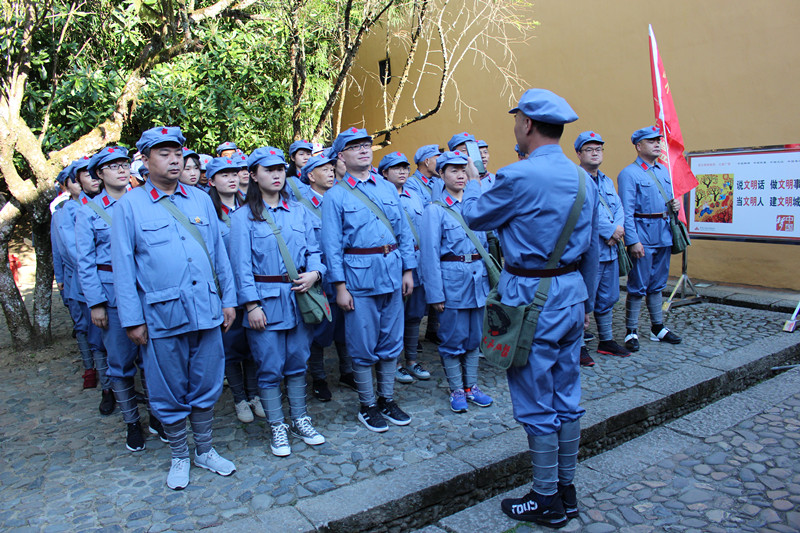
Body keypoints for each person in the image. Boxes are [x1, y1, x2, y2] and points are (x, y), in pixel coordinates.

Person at [461, 89, 599, 528]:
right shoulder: (583, 178)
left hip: (530, 297)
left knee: (536, 398)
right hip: (571, 293)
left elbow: (475, 217)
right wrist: (589, 300)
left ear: (527, 124)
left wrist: (473, 178)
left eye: (516, 120)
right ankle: (566, 490)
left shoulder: (518, 176)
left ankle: (545, 499)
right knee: (567, 395)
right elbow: (592, 248)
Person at [111, 126, 237, 490]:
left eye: (178, 153)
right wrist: (132, 320)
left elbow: (218, 254)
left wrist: (229, 299)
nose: (174, 160)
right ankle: (180, 455)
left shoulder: (200, 199)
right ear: (146, 160)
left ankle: (205, 450)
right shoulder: (129, 206)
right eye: (164, 154)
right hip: (161, 316)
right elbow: (124, 267)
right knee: (168, 389)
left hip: (206, 309)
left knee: (207, 382)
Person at [229, 146, 326, 457]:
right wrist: (251, 306)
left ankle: (299, 419)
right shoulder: (242, 217)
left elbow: (314, 250)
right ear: (253, 175)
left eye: (280, 169)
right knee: (269, 366)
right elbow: (241, 267)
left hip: (300, 299)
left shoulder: (299, 210)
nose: (276, 175)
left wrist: (315, 273)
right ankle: (277, 425)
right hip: (265, 303)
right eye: (268, 170)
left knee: (298, 362)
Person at [321, 127, 416, 433]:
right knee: (362, 344)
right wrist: (339, 287)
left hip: (392, 273)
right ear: (341, 156)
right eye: (355, 147)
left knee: (391, 340)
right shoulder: (335, 196)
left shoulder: (387, 188)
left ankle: (386, 399)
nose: (363, 150)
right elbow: (331, 246)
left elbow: (403, 232)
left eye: (366, 145)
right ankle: (367, 405)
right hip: (358, 280)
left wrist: (408, 270)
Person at [76, 146, 166, 451]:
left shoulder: (143, 202)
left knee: (151, 359)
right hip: (112, 295)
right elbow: (85, 263)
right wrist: (96, 303)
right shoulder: (88, 212)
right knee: (121, 362)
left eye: (124, 164)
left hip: (145, 291)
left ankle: (157, 417)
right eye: (113, 166)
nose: (121, 170)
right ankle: (131, 422)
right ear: (100, 174)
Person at [420, 150, 492, 412]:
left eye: (463, 170)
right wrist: (435, 293)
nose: (460, 175)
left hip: (477, 281)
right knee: (453, 338)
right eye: (453, 170)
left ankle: (472, 386)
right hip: (452, 283)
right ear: (441, 174)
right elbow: (429, 255)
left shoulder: (475, 205)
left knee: (474, 337)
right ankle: (456, 389)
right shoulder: (435, 210)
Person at [205, 156, 264, 423]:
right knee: (231, 347)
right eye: (224, 175)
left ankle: (255, 394)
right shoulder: (208, 212)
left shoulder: (251, 206)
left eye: (234, 173)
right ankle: (239, 398)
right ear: (212, 181)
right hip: (225, 290)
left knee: (252, 344)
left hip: (251, 285)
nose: (231, 179)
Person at [617, 126, 682, 352]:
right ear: (638, 146)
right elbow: (626, 211)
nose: (657, 144)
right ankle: (631, 330)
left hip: (663, 233)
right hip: (642, 235)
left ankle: (658, 327)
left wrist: (675, 205)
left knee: (658, 284)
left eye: (658, 141)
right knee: (638, 285)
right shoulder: (629, 173)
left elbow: (667, 200)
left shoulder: (664, 171)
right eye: (651, 141)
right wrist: (632, 241)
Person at [296, 154, 355, 401]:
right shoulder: (301, 206)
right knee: (318, 329)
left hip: (345, 273)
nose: (331, 173)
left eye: (332, 169)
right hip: (319, 277)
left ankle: (347, 371)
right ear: (310, 175)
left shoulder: (343, 198)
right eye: (324, 169)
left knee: (345, 324)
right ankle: (319, 378)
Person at [574, 131, 631, 364]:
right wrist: (609, 231)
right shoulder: (577, 179)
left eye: (598, 149)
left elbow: (619, 208)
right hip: (590, 251)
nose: (595, 153)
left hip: (610, 250)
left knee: (608, 296)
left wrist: (618, 229)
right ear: (579, 154)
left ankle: (606, 340)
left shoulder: (606, 181)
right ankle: (578, 345)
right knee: (583, 298)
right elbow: (583, 211)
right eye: (589, 149)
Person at [377, 152, 431, 384]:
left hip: (417, 261)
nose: (402, 171)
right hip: (393, 262)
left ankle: (411, 360)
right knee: (394, 316)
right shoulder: (379, 197)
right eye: (396, 168)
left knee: (415, 315)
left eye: (405, 167)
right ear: (384, 173)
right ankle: (395, 363)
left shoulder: (414, 195)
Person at [51, 161, 98, 389]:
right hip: (79, 280)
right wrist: (60, 279)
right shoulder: (63, 213)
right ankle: (91, 369)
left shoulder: (104, 204)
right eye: (77, 179)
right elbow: (64, 250)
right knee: (84, 327)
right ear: (68, 185)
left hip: (105, 277)